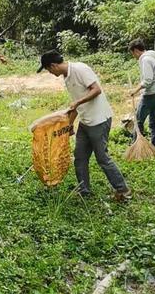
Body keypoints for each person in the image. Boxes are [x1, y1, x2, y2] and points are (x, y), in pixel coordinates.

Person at [37, 50, 131, 201]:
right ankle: (84, 190)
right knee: (80, 157)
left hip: (99, 120)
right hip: (85, 121)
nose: (49, 73)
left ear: (54, 65)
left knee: (102, 158)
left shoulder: (80, 69)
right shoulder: (67, 78)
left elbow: (96, 90)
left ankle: (123, 190)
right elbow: (75, 105)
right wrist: (69, 125)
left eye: (48, 69)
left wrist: (78, 102)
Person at [128, 39, 155, 148]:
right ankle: (154, 146)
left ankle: (135, 147)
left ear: (136, 50)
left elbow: (148, 80)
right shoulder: (153, 58)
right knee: (153, 121)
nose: (133, 56)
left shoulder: (146, 60)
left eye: (132, 53)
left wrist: (135, 90)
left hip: (150, 95)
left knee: (138, 121)